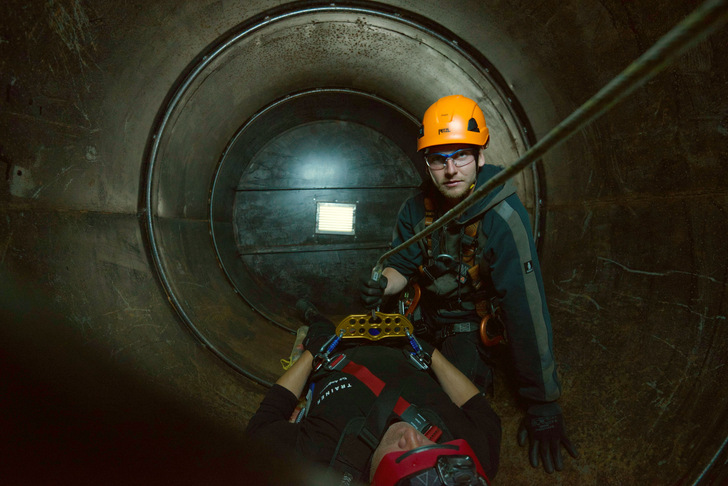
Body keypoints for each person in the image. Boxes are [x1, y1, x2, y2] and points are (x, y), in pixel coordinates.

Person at [359, 95, 577, 473]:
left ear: (479, 156)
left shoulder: (503, 218)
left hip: (467, 332)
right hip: (421, 322)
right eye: (438, 159)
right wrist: (384, 284)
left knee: (438, 408)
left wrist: (543, 401)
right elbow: (401, 263)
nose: (451, 170)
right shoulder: (416, 208)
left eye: (461, 156)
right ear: (427, 163)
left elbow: (526, 310)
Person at [245, 301, 501, 485]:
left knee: (320, 328)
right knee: (387, 305)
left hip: (335, 353)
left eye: (405, 459)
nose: (411, 436)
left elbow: (265, 420)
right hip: (401, 345)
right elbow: (477, 406)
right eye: (434, 451)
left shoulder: (317, 459)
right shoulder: (475, 455)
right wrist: (428, 352)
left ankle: (312, 314)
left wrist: (315, 353)